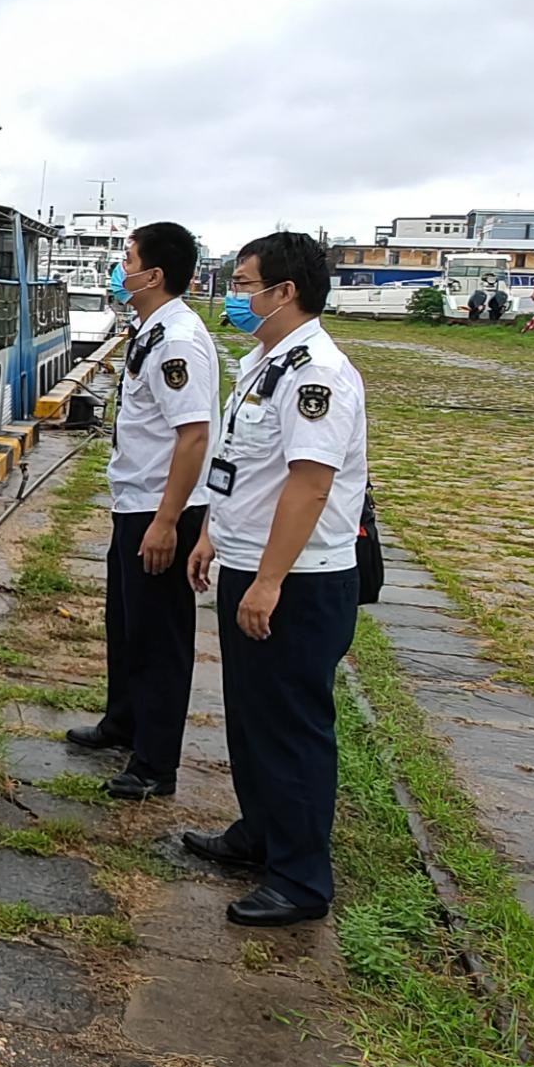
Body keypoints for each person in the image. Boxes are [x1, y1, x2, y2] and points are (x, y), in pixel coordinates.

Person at [185, 232, 368, 927]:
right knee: (252, 716)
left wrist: (267, 581)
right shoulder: (266, 363)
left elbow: (308, 486)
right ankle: (258, 834)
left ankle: (299, 879)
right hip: (248, 561)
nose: (236, 295)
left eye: (244, 282)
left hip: (296, 581)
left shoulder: (316, 372)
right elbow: (240, 466)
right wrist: (211, 534)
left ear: (283, 291)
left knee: (291, 726)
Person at [67, 223, 220, 802]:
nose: (119, 268)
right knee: (127, 624)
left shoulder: (178, 339)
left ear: (153, 275)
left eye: (126, 259)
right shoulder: (152, 330)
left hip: (163, 508)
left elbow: (193, 436)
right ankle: (122, 722)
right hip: (135, 500)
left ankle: (156, 763)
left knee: (159, 637)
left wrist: (164, 520)